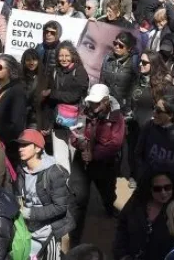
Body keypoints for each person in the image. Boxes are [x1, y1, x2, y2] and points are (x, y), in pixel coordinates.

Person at [70, 83, 125, 240]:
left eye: (97, 102)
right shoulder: (84, 112)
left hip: (104, 163)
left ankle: (109, 206)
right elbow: (75, 133)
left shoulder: (117, 118)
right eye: (91, 102)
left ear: (106, 101)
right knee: (79, 197)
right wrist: (78, 143)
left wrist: (94, 155)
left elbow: (115, 144)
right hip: (82, 160)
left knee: (107, 191)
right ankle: (75, 234)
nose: (93, 106)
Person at [14, 129, 74, 258]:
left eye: (25, 145)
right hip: (28, 231)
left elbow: (60, 207)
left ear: (37, 148)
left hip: (50, 233)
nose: (20, 149)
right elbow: (19, 196)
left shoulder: (53, 172)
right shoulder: (21, 170)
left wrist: (30, 213)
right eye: (19, 145)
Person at [114, 169, 174, 260]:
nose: (163, 193)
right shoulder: (136, 203)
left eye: (167, 187)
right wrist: (123, 255)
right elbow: (122, 228)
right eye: (157, 189)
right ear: (149, 188)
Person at [134, 95, 174, 187]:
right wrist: (144, 175)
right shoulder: (149, 127)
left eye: (158, 111)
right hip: (148, 183)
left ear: (170, 115)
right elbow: (138, 153)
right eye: (154, 108)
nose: (154, 113)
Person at [48, 42, 90, 173]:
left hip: (76, 121)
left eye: (67, 55)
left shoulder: (79, 71)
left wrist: (52, 94)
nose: (64, 59)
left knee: (74, 153)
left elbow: (74, 96)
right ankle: (63, 181)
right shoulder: (55, 71)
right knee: (59, 155)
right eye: (61, 55)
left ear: (73, 56)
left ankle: (74, 181)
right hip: (58, 120)